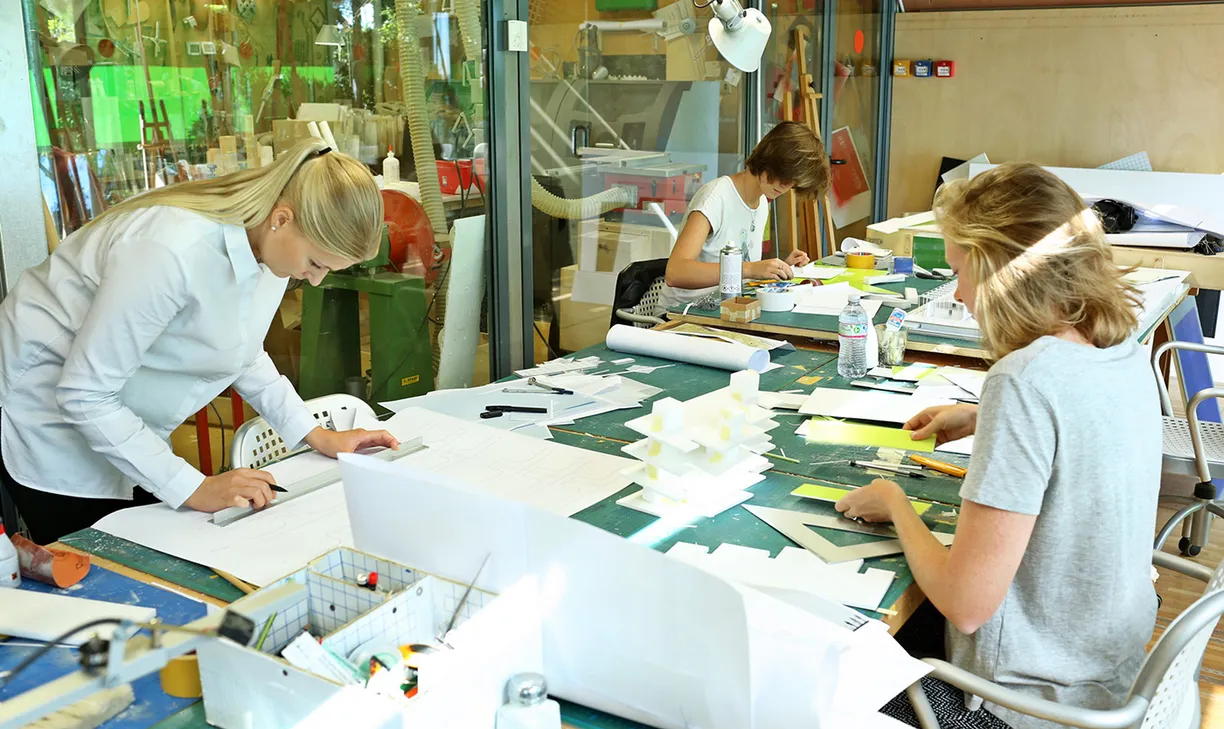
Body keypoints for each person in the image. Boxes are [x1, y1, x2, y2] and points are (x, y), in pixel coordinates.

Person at [835, 163, 1160, 728]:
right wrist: (983, 416)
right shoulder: (1120, 343)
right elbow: (1082, 419)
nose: (958, 294)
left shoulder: (1023, 380)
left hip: (1018, 705)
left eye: (960, 271)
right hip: (1105, 676)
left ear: (1003, 272)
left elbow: (965, 606)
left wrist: (894, 503)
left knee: (821, 671)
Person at [0, 140, 402, 544]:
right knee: (101, 561)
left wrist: (315, 434)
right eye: (316, 264)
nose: (314, 280)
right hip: (47, 413)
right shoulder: (170, 250)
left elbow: (243, 351)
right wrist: (194, 486)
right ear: (282, 219)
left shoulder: (267, 243)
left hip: (113, 405)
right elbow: (84, 395)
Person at [661, 121, 831, 307]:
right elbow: (675, 272)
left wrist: (778, 268)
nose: (786, 187)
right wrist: (749, 269)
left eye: (793, 182)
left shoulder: (761, 204)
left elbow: (745, 273)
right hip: (682, 315)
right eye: (784, 178)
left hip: (727, 309)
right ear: (768, 162)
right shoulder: (715, 197)